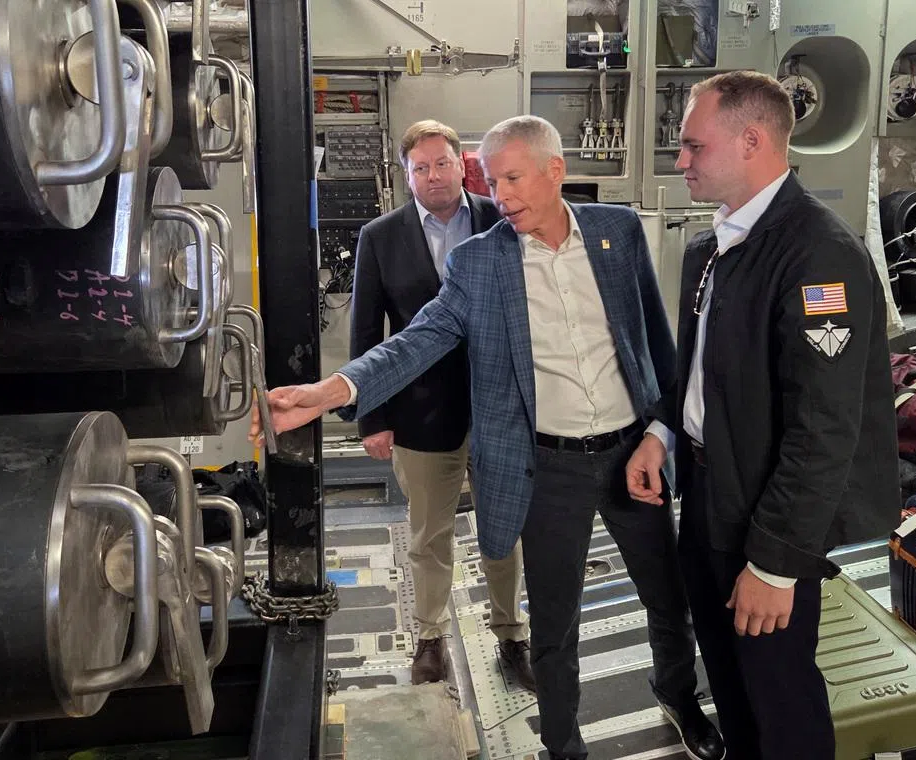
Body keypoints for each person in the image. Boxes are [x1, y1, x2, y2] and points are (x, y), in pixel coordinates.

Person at [253, 115, 724, 760]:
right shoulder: (481, 262)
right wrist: (327, 392)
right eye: (493, 181)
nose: (499, 196)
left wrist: (665, 434)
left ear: (555, 170)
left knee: (670, 603)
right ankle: (563, 744)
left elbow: (656, 345)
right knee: (554, 629)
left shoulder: (618, 233)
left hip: (632, 455)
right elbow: (414, 341)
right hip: (548, 468)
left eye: (512, 178)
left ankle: (678, 695)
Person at [625, 71, 899, 760]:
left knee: (782, 705)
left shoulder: (817, 255)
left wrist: (776, 565)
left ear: (750, 141)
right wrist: (662, 431)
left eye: (692, 146)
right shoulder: (710, 249)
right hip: (708, 498)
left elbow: (825, 428)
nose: (679, 161)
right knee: (733, 687)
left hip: (766, 518)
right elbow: (703, 375)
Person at [350, 119, 532, 688]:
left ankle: (512, 636)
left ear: (462, 164)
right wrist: (371, 417)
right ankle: (429, 638)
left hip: (498, 406)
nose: (433, 176)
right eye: (420, 168)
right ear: (407, 177)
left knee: (505, 529)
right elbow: (366, 330)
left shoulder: (501, 219)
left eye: (442, 163)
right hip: (420, 414)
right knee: (429, 535)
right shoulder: (380, 237)